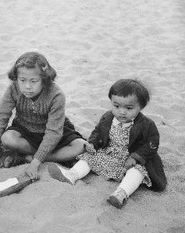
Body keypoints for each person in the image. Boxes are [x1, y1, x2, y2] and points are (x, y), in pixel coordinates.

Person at [47, 79, 167, 209]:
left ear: (141, 107)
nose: (122, 111)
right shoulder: (108, 117)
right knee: (89, 157)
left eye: (129, 108)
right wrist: (92, 143)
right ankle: (72, 174)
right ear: (111, 102)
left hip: (129, 159)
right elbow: (97, 132)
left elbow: (152, 143)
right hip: (109, 153)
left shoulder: (146, 124)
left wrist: (136, 157)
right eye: (116, 106)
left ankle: (121, 192)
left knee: (137, 172)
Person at [0, 52, 85, 180]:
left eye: (34, 81)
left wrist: (35, 163)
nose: (27, 86)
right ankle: (52, 156)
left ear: (44, 79)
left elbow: (54, 132)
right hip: (25, 129)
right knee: (7, 138)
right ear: (16, 78)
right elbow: (0, 117)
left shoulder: (56, 95)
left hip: (54, 131)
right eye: (22, 80)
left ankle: (29, 157)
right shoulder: (13, 89)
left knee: (80, 146)